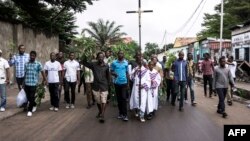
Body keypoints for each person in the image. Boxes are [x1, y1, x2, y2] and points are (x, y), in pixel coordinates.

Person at [83, 52, 110, 123]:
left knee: (104, 100)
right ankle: (100, 111)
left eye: (102, 57)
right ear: (97, 58)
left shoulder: (106, 66)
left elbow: (108, 76)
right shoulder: (93, 65)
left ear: (104, 57)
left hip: (104, 85)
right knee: (98, 100)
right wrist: (84, 54)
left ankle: (102, 115)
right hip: (96, 85)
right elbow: (84, 62)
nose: (101, 58)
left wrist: (109, 85)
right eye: (99, 57)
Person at [130, 52, 151, 122]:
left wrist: (144, 85)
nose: (140, 62)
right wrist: (135, 72)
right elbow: (131, 78)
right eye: (139, 61)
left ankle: (141, 115)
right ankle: (136, 111)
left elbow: (149, 80)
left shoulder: (146, 71)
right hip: (136, 88)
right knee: (136, 100)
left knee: (142, 102)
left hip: (143, 89)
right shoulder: (135, 69)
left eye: (142, 61)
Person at [24, 51, 46, 117]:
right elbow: (25, 74)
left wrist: (45, 79)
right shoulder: (26, 64)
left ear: (35, 56)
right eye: (31, 55)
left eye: (33, 55)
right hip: (27, 83)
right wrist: (23, 83)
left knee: (31, 97)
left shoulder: (38, 64)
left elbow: (42, 72)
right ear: (29, 56)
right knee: (28, 97)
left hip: (34, 84)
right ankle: (34, 104)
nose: (32, 57)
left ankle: (30, 111)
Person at [111, 51, 129, 121]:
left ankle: (125, 115)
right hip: (117, 83)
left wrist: (128, 83)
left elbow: (127, 73)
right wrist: (114, 73)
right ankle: (120, 113)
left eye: (122, 53)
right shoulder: (114, 63)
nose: (121, 54)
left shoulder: (126, 63)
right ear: (117, 55)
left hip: (124, 83)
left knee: (124, 98)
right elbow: (111, 71)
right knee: (119, 99)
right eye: (119, 53)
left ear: (123, 55)